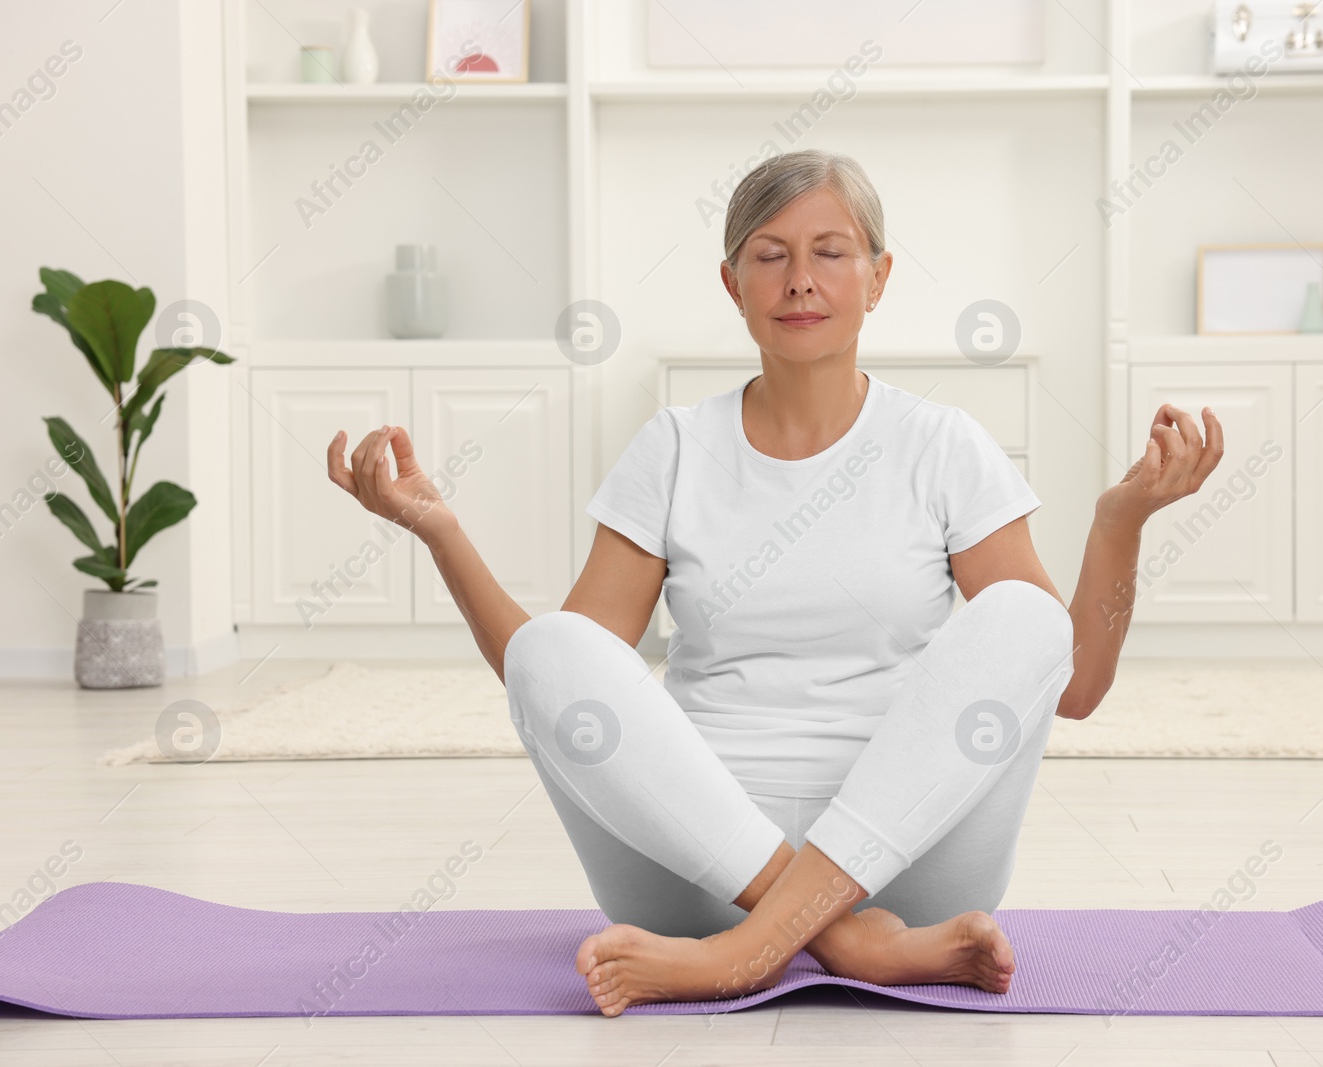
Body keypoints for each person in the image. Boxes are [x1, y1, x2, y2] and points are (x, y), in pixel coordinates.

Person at [326, 149, 1223, 1017]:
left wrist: (1121, 521)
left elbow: (1073, 689)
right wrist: (438, 530)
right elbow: (566, 693)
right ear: (733, 285)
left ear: (877, 278)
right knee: (554, 646)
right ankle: (843, 943)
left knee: (1028, 618)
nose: (802, 280)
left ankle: (739, 958)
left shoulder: (943, 445)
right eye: (771, 255)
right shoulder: (674, 447)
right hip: (694, 869)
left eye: (831, 253)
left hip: (912, 866)